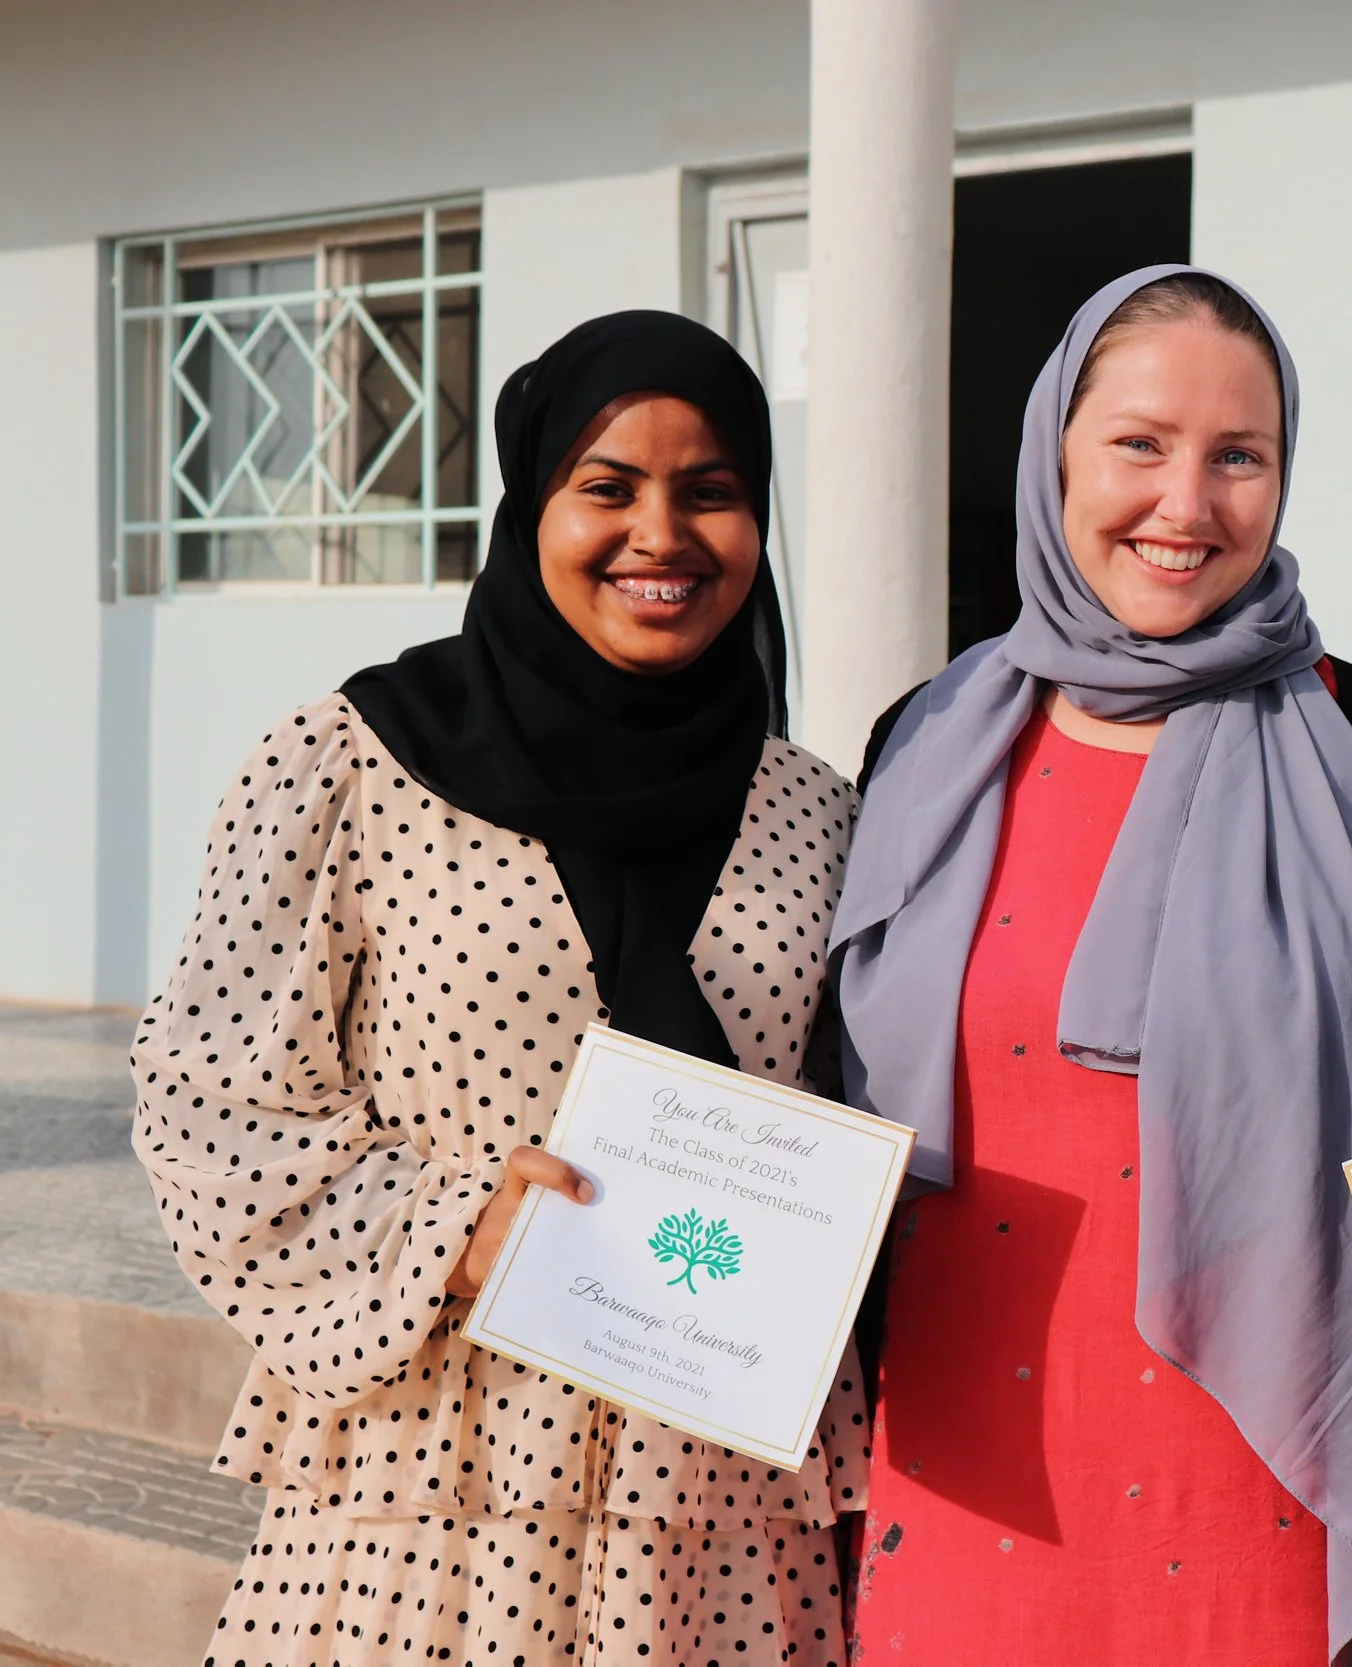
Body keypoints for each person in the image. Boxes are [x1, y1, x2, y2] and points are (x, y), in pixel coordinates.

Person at [131, 311, 867, 1664]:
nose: (663, 533)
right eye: (608, 488)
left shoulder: (816, 814)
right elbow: (211, 1103)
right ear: (530, 505)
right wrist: (451, 1235)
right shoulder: (349, 767)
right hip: (431, 1464)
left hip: (715, 1501)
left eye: (711, 491)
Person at [826, 266, 1352, 1664]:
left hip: (1279, 1508)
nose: (1186, 506)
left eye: (1237, 456)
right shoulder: (927, 742)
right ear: (1053, 449)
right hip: (964, 1501)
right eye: (1139, 443)